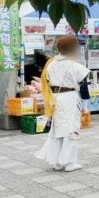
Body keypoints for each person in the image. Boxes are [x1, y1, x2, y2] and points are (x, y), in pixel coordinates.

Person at [35, 36, 90, 172]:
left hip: (55, 99)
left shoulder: (50, 64)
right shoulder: (77, 67)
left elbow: (46, 81)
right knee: (72, 129)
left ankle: (56, 162)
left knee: (57, 130)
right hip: (71, 99)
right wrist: (86, 107)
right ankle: (69, 162)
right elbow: (84, 88)